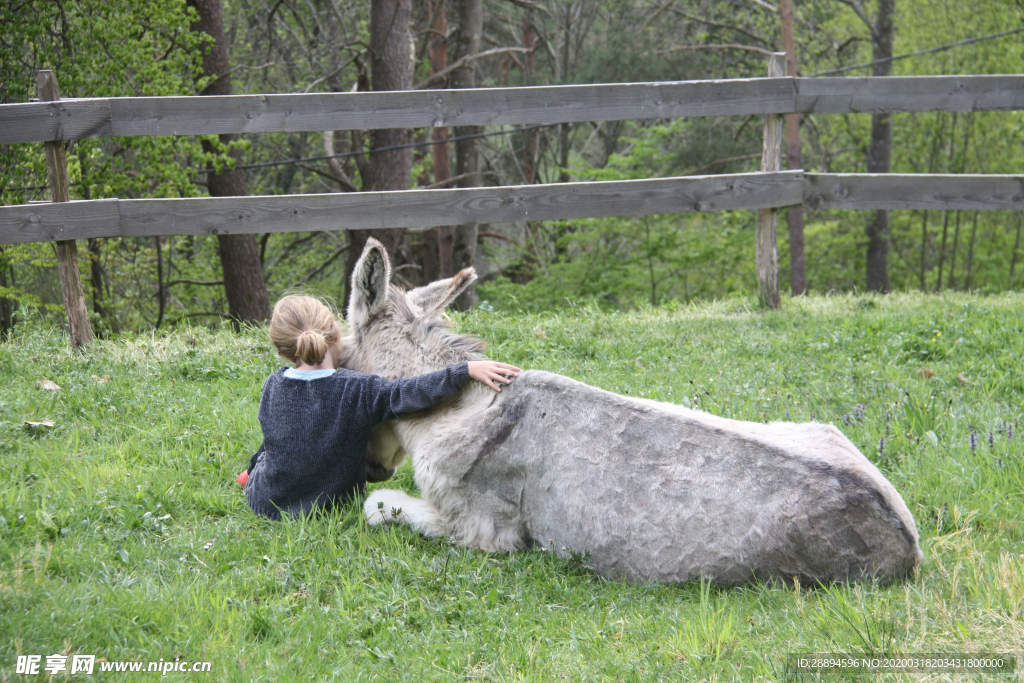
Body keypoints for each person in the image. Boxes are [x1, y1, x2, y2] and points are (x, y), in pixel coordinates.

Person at [242, 294, 520, 520]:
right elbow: (410, 391)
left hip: (269, 502)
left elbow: (272, 440)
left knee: (266, 457)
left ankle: (248, 475)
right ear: (336, 334)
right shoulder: (359, 388)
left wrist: (255, 469)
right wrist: (464, 370)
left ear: (282, 350)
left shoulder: (273, 384)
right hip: (334, 503)